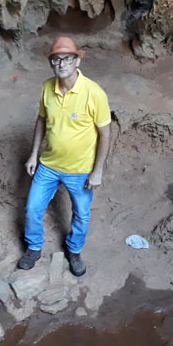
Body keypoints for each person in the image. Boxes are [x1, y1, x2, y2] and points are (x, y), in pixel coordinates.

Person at [17, 37, 111, 276]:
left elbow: (105, 133)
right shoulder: (47, 87)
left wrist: (97, 170)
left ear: (77, 61)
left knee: (81, 213)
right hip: (49, 165)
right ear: (51, 63)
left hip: (80, 169)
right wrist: (33, 155)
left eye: (67, 58)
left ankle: (75, 250)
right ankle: (34, 247)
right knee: (32, 208)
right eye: (56, 59)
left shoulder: (94, 93)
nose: (61, 64)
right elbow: (41, 120)